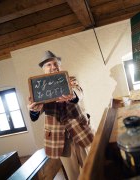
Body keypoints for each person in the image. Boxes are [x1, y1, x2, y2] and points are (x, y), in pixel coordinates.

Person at [27, 50, 94, 180]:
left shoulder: (70, 80)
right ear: (43, 69)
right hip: (59, 140)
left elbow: (78, 93)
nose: (53, 67)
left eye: (55, 63)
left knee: (91, 171)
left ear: (60, 66)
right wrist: (33, 110)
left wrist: (72, 95)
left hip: (80, 133)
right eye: (48, 65)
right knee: (73, 176)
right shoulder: (39, 88)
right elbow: (35, 114)